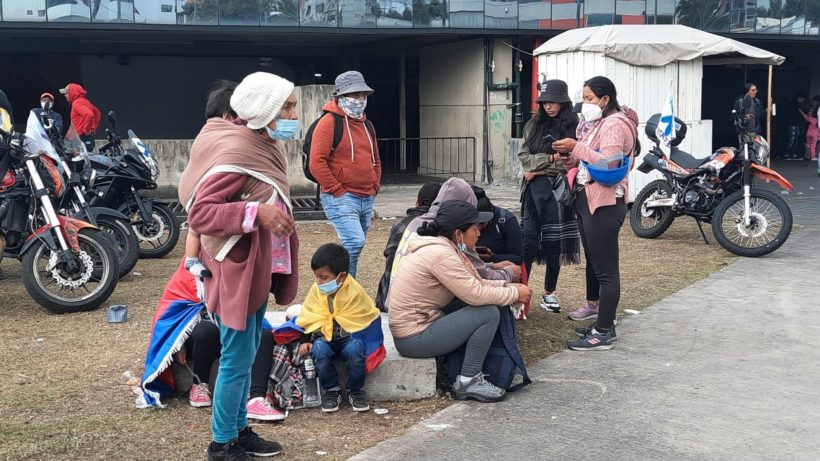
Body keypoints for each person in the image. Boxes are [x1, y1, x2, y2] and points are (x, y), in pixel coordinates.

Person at [179, 71, 300, 461]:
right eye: (287, 107)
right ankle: (221, 444)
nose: (295, 114)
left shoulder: (263, 144)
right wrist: (255, 213)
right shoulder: (238, 151)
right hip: (236, 270)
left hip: (257, 267)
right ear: (266, 110)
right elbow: (200, 213)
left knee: (246, 355)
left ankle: (238, 430)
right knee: (235, 359)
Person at [388, 200, 531, 402]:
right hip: (413, 338)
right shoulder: (441, 255)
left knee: (477, 305)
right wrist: (514, 294)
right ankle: (468, 381)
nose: (479, 233)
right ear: (458, 233)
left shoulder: (444, 248)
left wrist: (508, 286)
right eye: (475, 228)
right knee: (488, 313)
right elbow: (476, 294)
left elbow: (475, 282)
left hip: (416, 330)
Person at [136, 260, 285, 422]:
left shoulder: (237, 265)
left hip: (233, 332)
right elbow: (169, 315)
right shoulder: (187, 274)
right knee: (207, 330)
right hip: (201, 336)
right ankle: (199, 384)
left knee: (263, 335)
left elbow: (251, 308)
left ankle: (256, 399)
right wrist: (178, 345)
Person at [552, 76, 638, 351]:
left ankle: (603, 333)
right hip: (589, 201)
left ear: (605, 99)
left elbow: (610, 163)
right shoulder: (600, 123)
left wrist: (575, 147)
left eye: (589, 98)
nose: (585, 103)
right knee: (598, 265)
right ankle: (604, 323)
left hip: (605, 203)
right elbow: (588, 158)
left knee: (607, 271)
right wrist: (570, 157)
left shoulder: (614, 124)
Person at [309, 70, 381, 277]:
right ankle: (341, 286)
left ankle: (344, 286)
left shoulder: (367, 124)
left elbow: (376, 158)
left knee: (353, 248)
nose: (360, 99)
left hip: (365, 194)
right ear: (341, 96)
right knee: (354, 243)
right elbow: (316, 162)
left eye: (363, 95)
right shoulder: (329, 122)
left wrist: (375, 184)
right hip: (341, 196)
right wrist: (337, 189)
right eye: (355, 95)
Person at [517, 79, 581, 314]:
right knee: (529, 241)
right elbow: (525, 160)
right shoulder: (533, 124)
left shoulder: (575, 125)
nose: (548, 106)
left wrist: (539, 170)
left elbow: (574, 162)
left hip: (561, 189)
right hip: (533, 192)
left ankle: (549, 292)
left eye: (552, 101)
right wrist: (552, 159)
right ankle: (521, 291)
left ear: (563, 102)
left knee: (556, 242)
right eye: (544, 102)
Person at [295, 243, 381, 413]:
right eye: (316, 276)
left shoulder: (355, 292)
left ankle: (355, 390)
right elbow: (309, 314)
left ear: (341, 276)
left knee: (356, 350)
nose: (318, 282)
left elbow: (367, 315)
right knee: (319, 350)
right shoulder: (316, 290)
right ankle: (332, 390)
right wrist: (305, 339)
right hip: (324, 338)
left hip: (350, 337)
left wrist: (370, 343)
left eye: (323, 277)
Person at [184, 80, 241, 283]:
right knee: (195, 228)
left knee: (195, 228)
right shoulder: (222, 136)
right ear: (227, 116)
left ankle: (192, 259)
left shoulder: (206, 134)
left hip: (204, 193)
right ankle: (191, 259)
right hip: (205, 195)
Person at [374, 182, 442, 311]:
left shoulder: (400, 225)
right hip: (411, 304)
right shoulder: (436, 227)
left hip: (385, 295)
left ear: (417, 202)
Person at [472, 186, 523, 266]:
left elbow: (518, 257)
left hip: (500, 269)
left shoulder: (506, 220)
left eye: (481, 224)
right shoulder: (461, 220)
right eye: (473, 225)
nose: (478, 232)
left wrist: (493, 258)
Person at [59, 83, 100, 152]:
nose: (65, 95)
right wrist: (93, 129)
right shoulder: (85, 101)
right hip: (84, 138)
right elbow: (97, 113)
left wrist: (86, 130)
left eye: (66, 93)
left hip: (80, 139)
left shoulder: (76, 103)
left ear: (72, 93)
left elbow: (89, 114)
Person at [798, 96, 820, 175]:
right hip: (815, 134)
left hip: (808, 133)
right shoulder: (817, 120)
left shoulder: (810, 119)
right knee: (813, 146)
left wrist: (800, 111)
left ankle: (807, 155)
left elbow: (805, 116)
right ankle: (813, 157)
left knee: (808, 145)